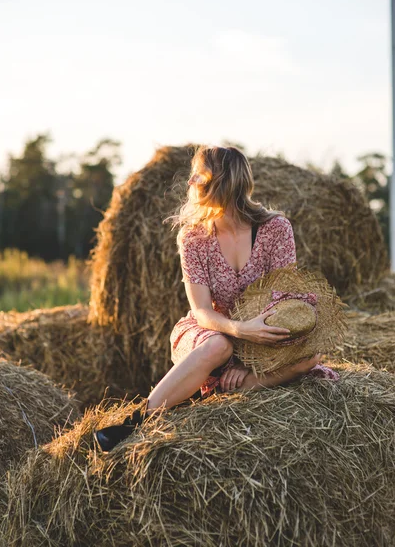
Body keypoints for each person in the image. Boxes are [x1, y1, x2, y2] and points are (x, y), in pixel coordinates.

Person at [95, 145, 335, 452]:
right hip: (209, 333)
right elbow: (202, 312)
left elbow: (283, 301)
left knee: (308, 360)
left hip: (261, 341)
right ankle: (136, 422)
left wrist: (251, 364)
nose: (191, 181)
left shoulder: (276, 229)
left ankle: (226, 386)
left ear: (221, 181)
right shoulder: (193, 237)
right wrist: (240, 331)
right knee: (219, 345)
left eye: (199, 174)